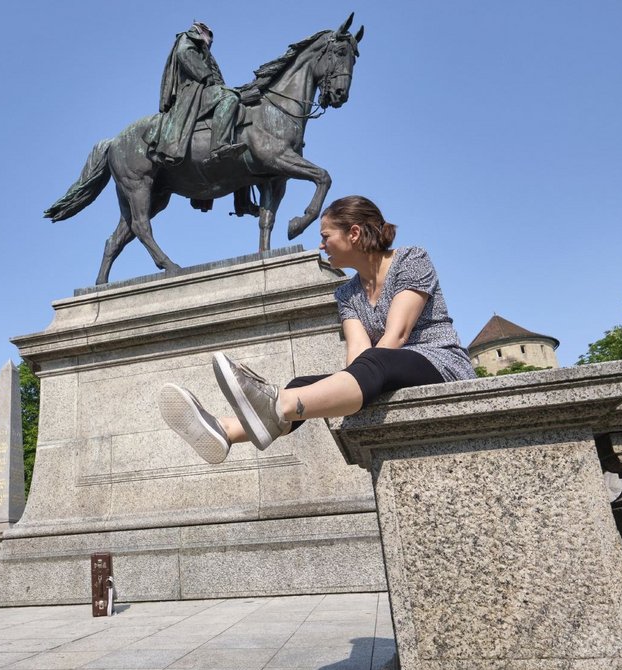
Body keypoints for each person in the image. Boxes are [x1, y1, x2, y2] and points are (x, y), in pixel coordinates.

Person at [158, 195, 476, 463]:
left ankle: (277, 404)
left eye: (326, 236)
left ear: (353, 233)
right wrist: (353, 391)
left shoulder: (410, 259)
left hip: (438, 363)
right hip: (386, 370)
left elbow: (398, 334)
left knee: (374, 362)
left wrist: (359, 381)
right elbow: (357, 353)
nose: (321, 245)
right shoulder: (346, 293)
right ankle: (225, 430)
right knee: (302, 383)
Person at [147, 21, 245, 166]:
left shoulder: (203, 49)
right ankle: (219, 146)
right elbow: (184, 53)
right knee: (229, 97)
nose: (211, 40)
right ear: (202, 31)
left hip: (205, 88)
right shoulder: (188, 37)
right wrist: (205, 76)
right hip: (193, 90)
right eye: (210, 36)